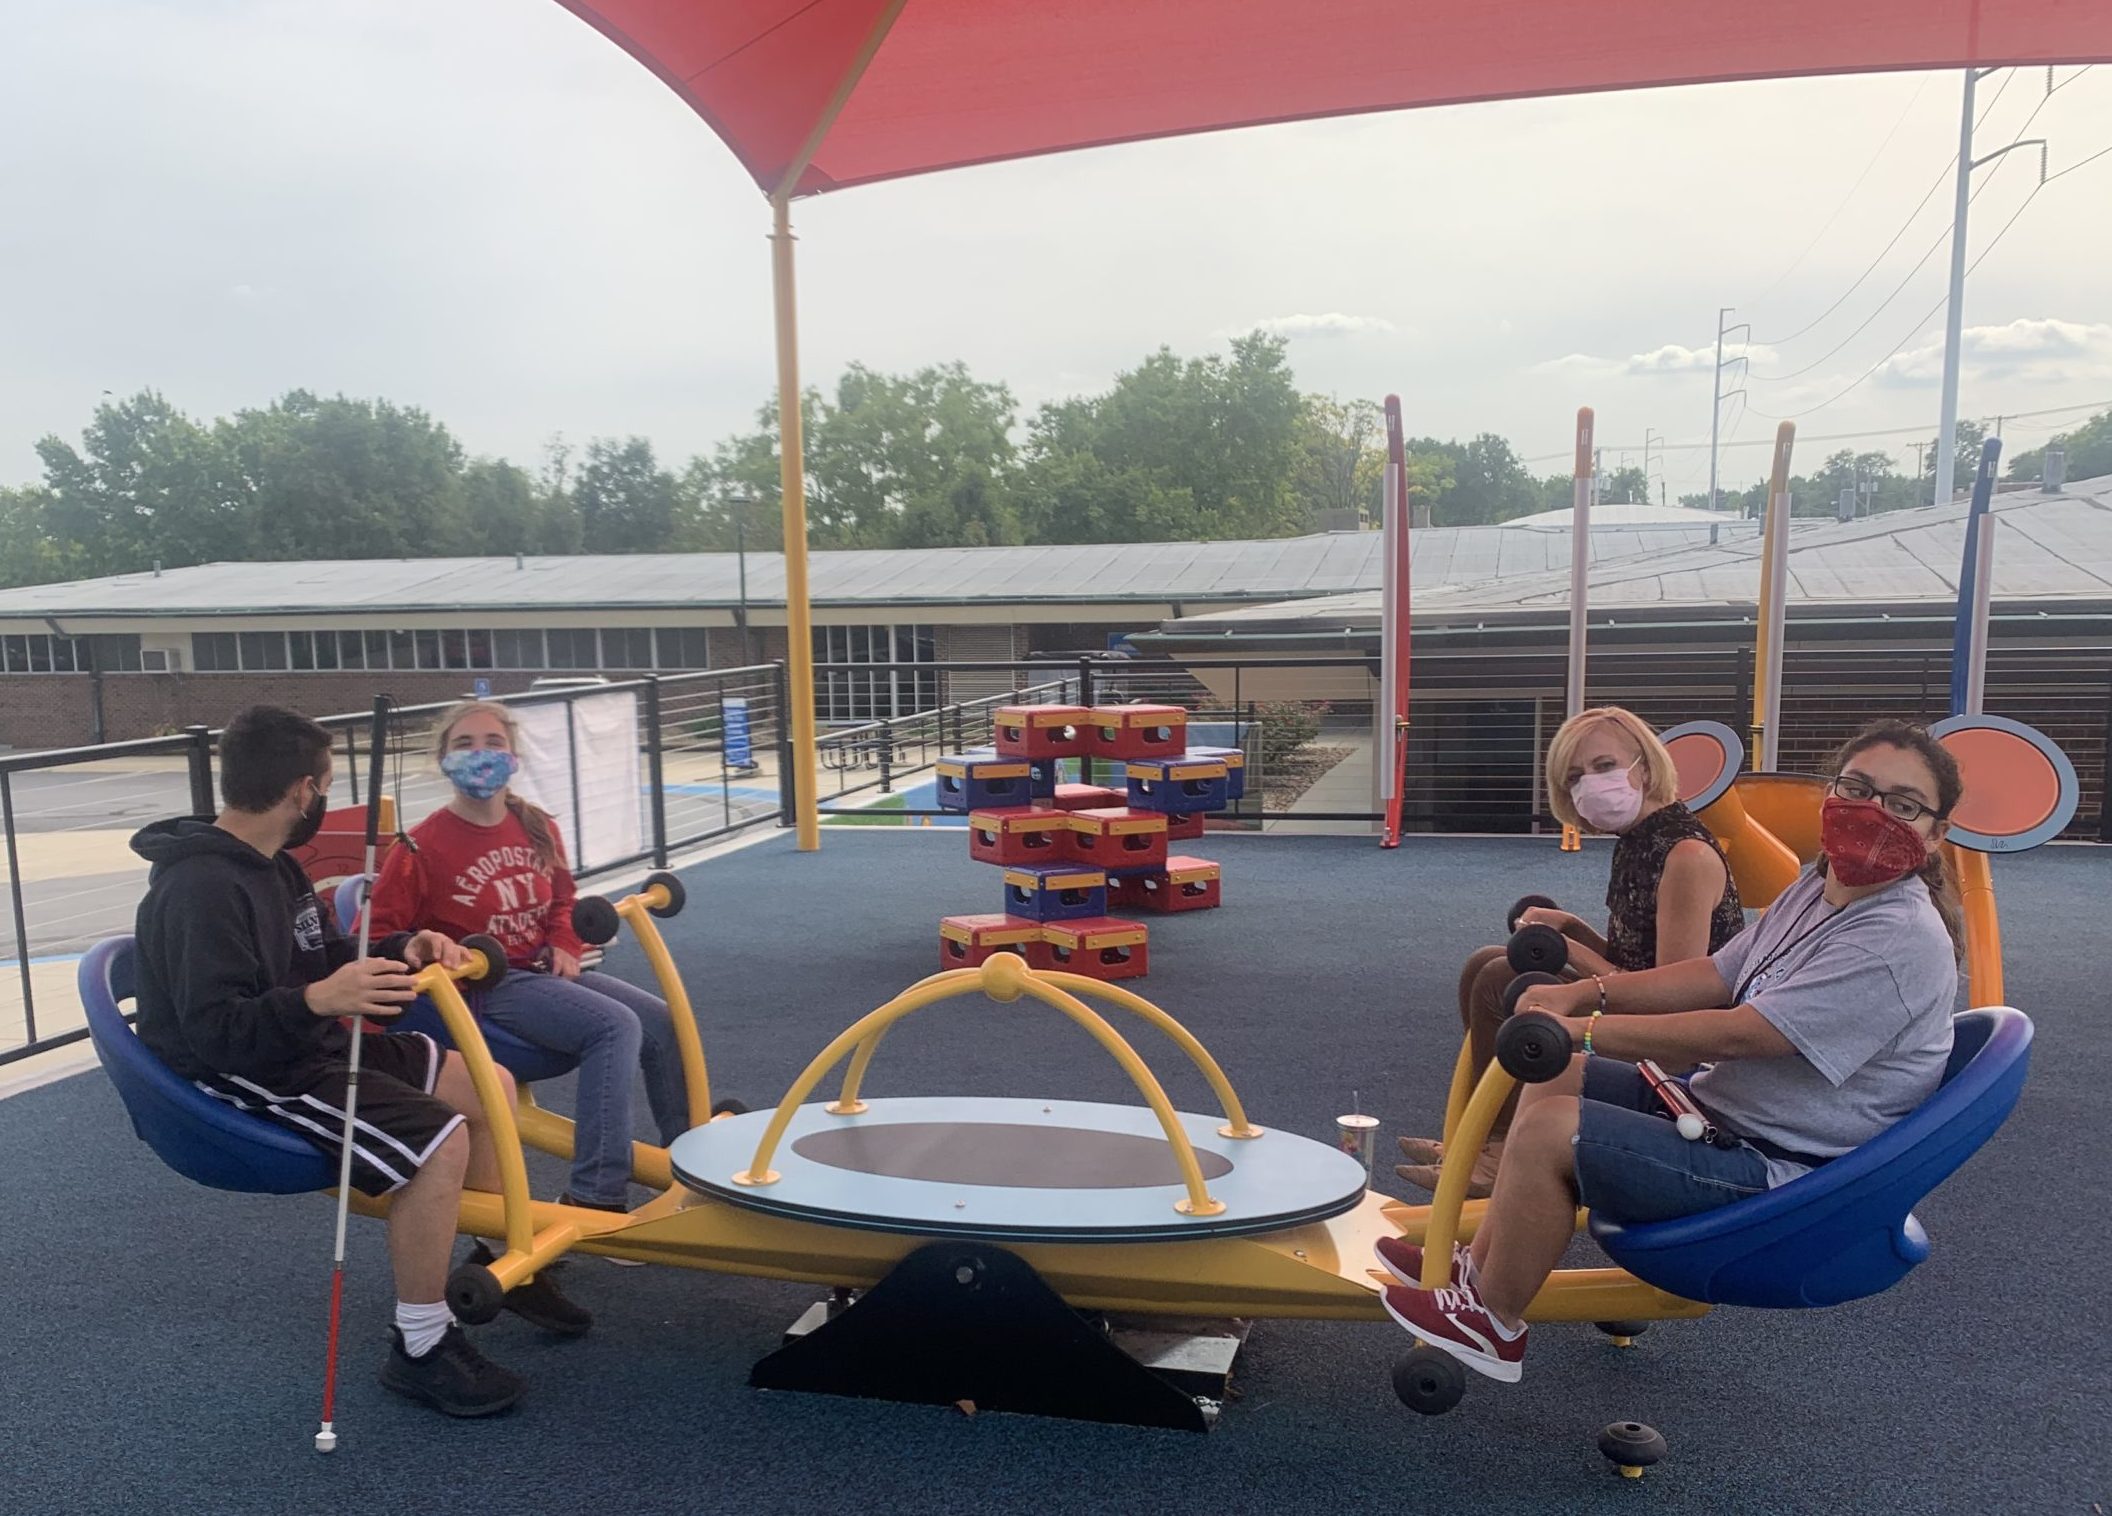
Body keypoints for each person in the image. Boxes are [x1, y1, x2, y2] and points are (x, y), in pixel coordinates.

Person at [1376, 720, 1963, 1385]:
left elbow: (1743, 1030)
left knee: (1548, 1128)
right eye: (1857, 788)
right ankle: (1480, 1269)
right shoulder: (1816, 889)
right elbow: (1714, 973)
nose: (1872, 811)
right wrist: (1587, 995)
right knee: (1559, 1074)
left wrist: (1587, 1027)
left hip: (1777, 1169)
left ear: (1936, 832)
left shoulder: (1895, 936)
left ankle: (1492, 1322)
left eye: (1902, 804)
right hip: (1719, 1112)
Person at [132, 705, 587, 1421]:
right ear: (303, 792)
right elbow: (218, 1030)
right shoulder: (202, 889)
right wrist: (318, 999)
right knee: (439, 1140)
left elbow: (319, 956)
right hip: (249, 1071)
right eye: (327, 785)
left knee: (487, 1083)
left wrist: (402, 946)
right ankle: (420, 1345)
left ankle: (505, 1254)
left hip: (299, 1038)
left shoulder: (273, 867)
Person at [1397, 707, 1745, 1197]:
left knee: (1501, 977)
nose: (1589, 785)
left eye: (1604, 766)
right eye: (1576, 776)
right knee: (1485, 964)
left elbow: (1674, 992)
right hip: (1640, 999)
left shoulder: (1684, 855)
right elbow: (1634, 958)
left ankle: (1494, 1150)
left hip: (1681, 1039)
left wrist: (1570, 953)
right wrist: (1573, 929)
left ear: (1644, 768)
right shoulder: (1639, 841)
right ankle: (1483, 1140)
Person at [367, 700, 692, 1220]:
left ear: (514, 756)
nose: (481, 755)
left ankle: (689, 1161)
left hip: (541, 969)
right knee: (615, 1026)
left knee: (661, 1020)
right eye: (464, 744)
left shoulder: (535, 824)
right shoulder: (421, 846)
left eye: (493, 743)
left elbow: (563, 898)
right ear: (443, 759)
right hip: (487, 984)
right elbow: (380, 933)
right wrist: (424, 944)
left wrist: (564, 940)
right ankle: (595, 1195)